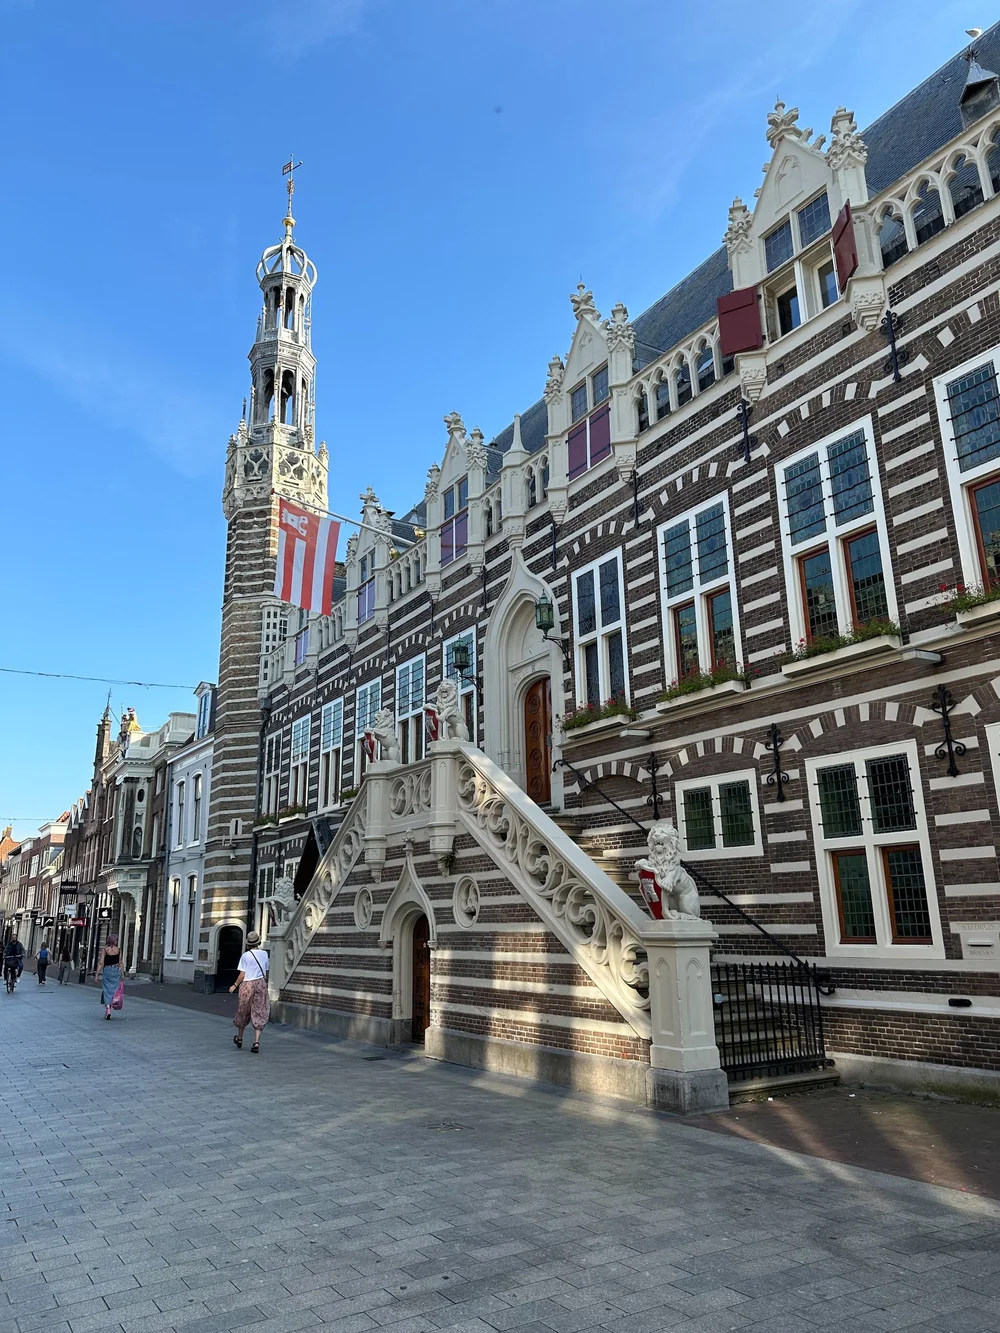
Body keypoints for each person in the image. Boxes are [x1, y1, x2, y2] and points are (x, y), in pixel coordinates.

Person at [229, 931, 270, 1053]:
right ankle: (256, 1042)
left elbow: (242, 974)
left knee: (243, 1010)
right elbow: (266, 970)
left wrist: (234, 985)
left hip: (248, 984)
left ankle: (240, 1038)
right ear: (258, 942)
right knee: (260, 1011)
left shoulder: (245, 956)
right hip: (261, 983)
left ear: (248, 944)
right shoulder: (264, 954)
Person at [95, 933, 122, 1020]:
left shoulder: (105, 950)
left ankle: (108, 1008)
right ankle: (113, 1003)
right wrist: (123, 974)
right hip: (116, 970)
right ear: (114, 941)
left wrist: (97, 974)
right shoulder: (118, 950)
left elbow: (101, 962)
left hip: (107, 970)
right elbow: (120, 963)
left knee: (106, 990)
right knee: (114, 989)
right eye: (116, 940)